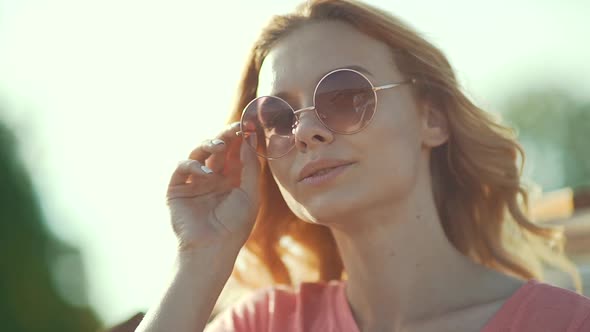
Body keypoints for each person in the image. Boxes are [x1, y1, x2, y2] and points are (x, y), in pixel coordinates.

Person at [135, 0, 590, 331]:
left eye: (345, 96)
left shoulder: (563, 322)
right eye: (276, 116)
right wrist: (200, 258)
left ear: (431, 118)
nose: (304, 131)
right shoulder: (264, 325)